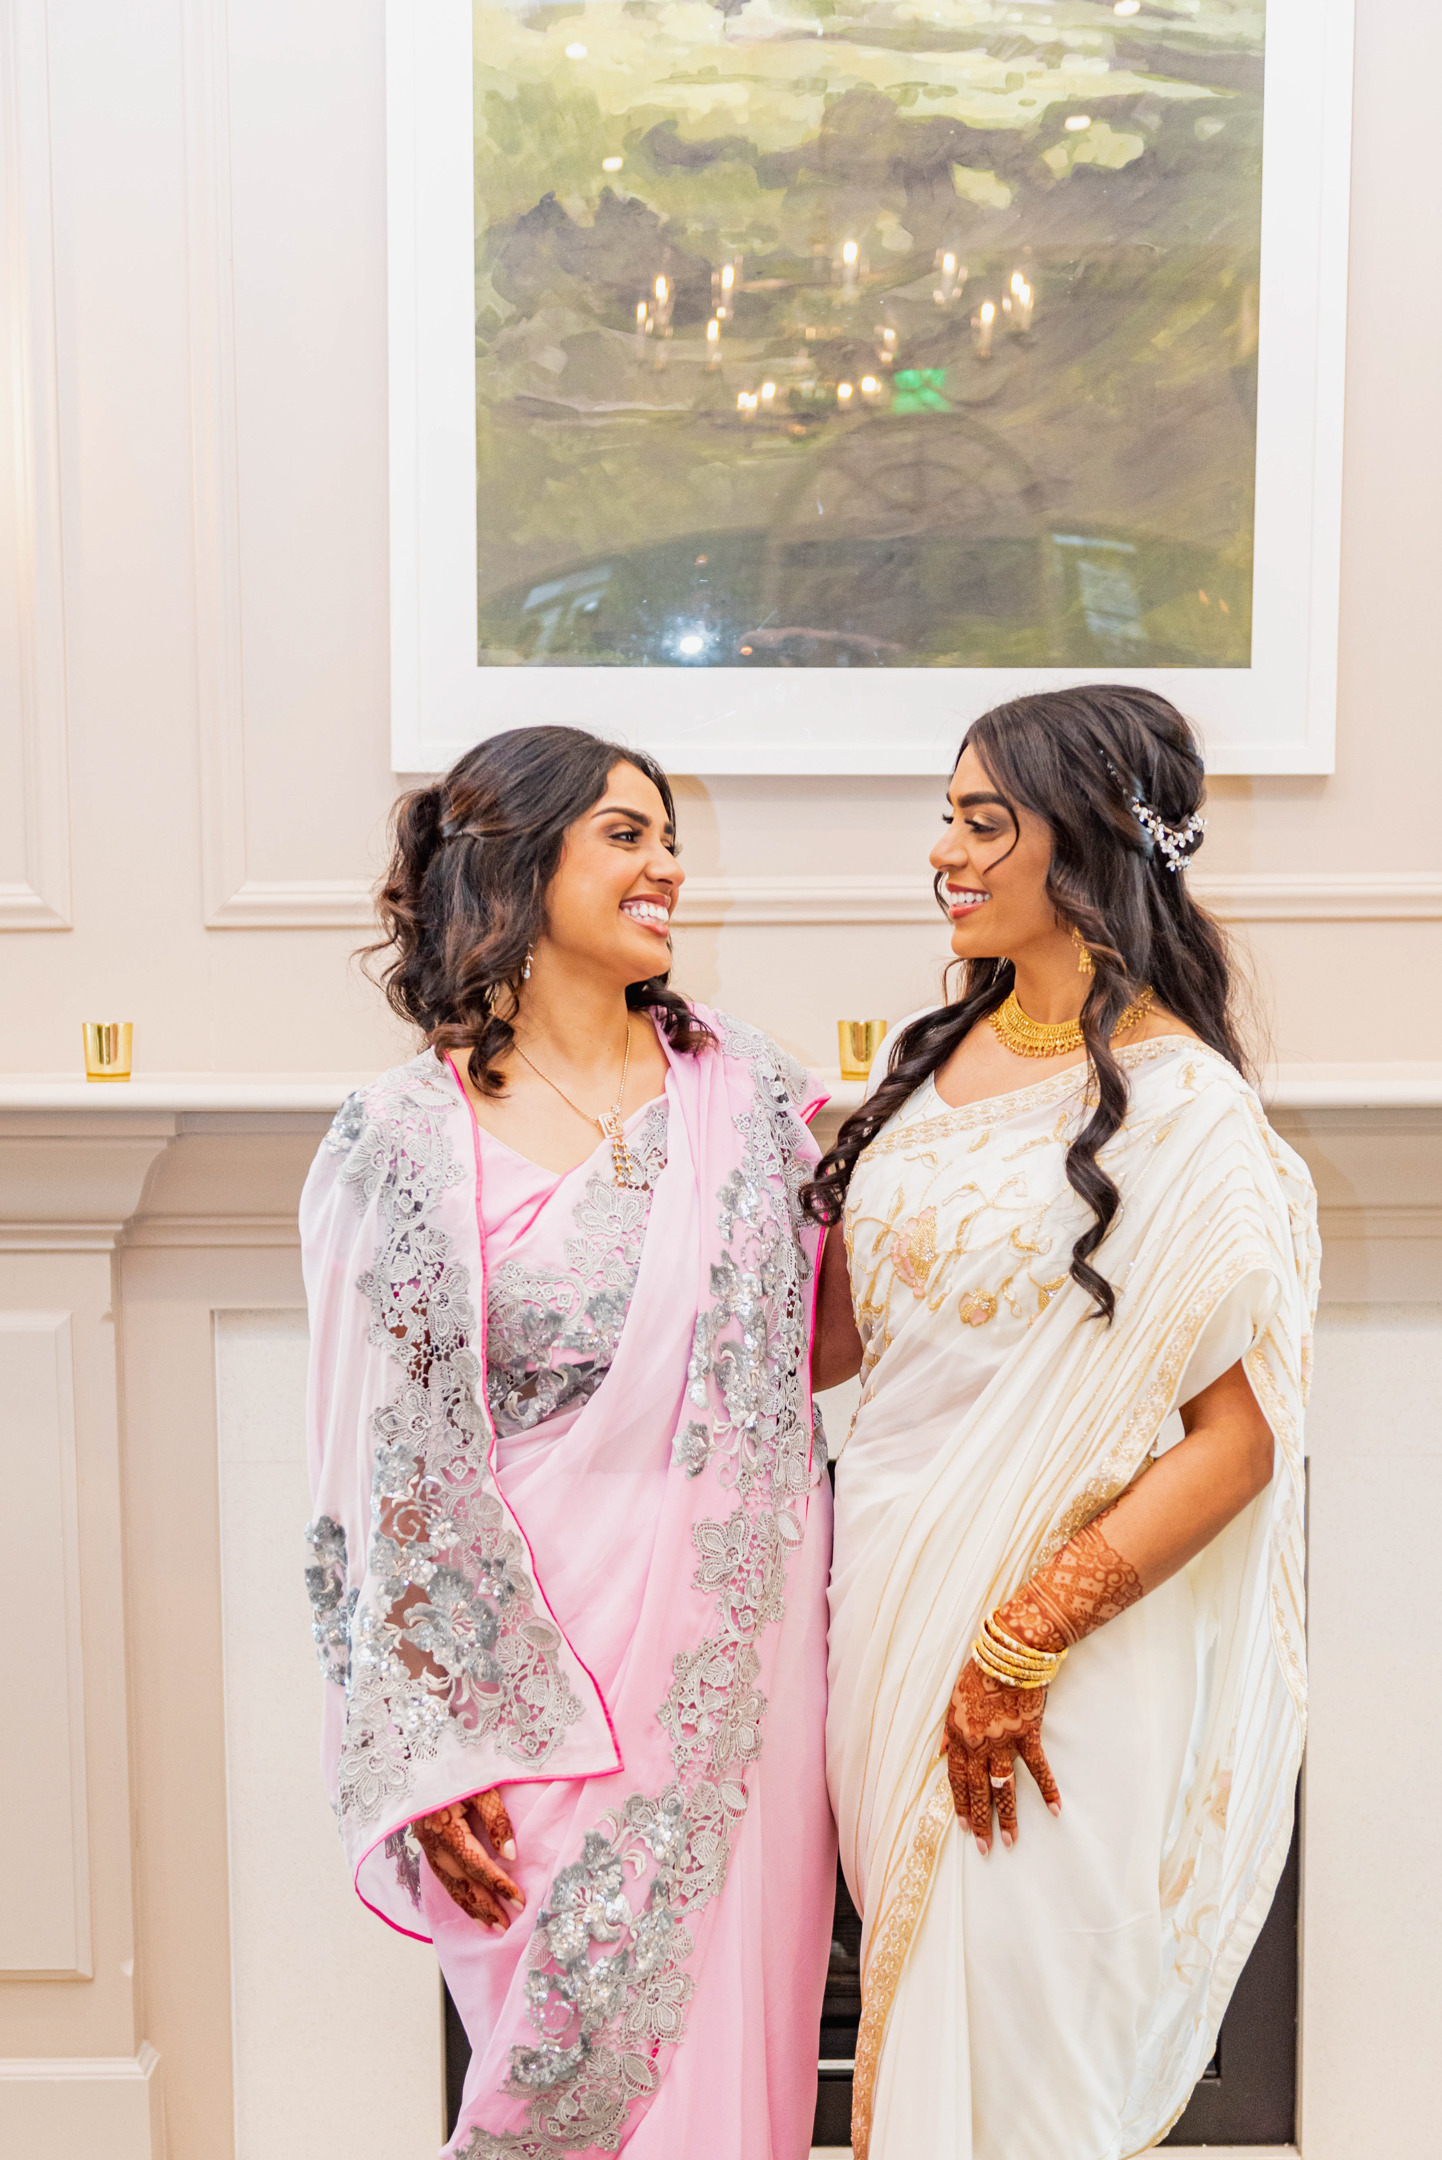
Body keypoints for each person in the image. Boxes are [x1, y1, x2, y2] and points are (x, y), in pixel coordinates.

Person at [300, 726, 835, 2158]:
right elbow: (375, 1471)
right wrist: (428, 1741)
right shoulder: (399, 1139)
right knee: (561, 2071)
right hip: (523, 1676)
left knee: (730, 2066)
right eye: (626, 834)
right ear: (518, 863)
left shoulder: (750, 1096)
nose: (668, 867)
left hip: (734, 1663)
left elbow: (825, 1339)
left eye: (670, 838)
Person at [809, 686, 1317, 2160]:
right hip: (888, 1610)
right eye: (946, 820)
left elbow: (1236, 1440)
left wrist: (1021, 1645)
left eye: (983, 823)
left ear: (1088, 839)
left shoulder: (1183, 1106)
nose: (943, 854)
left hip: (1055, 1670)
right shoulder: (928, 1061)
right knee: (914, 2030)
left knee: (1025, 2064)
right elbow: (855, 1340)